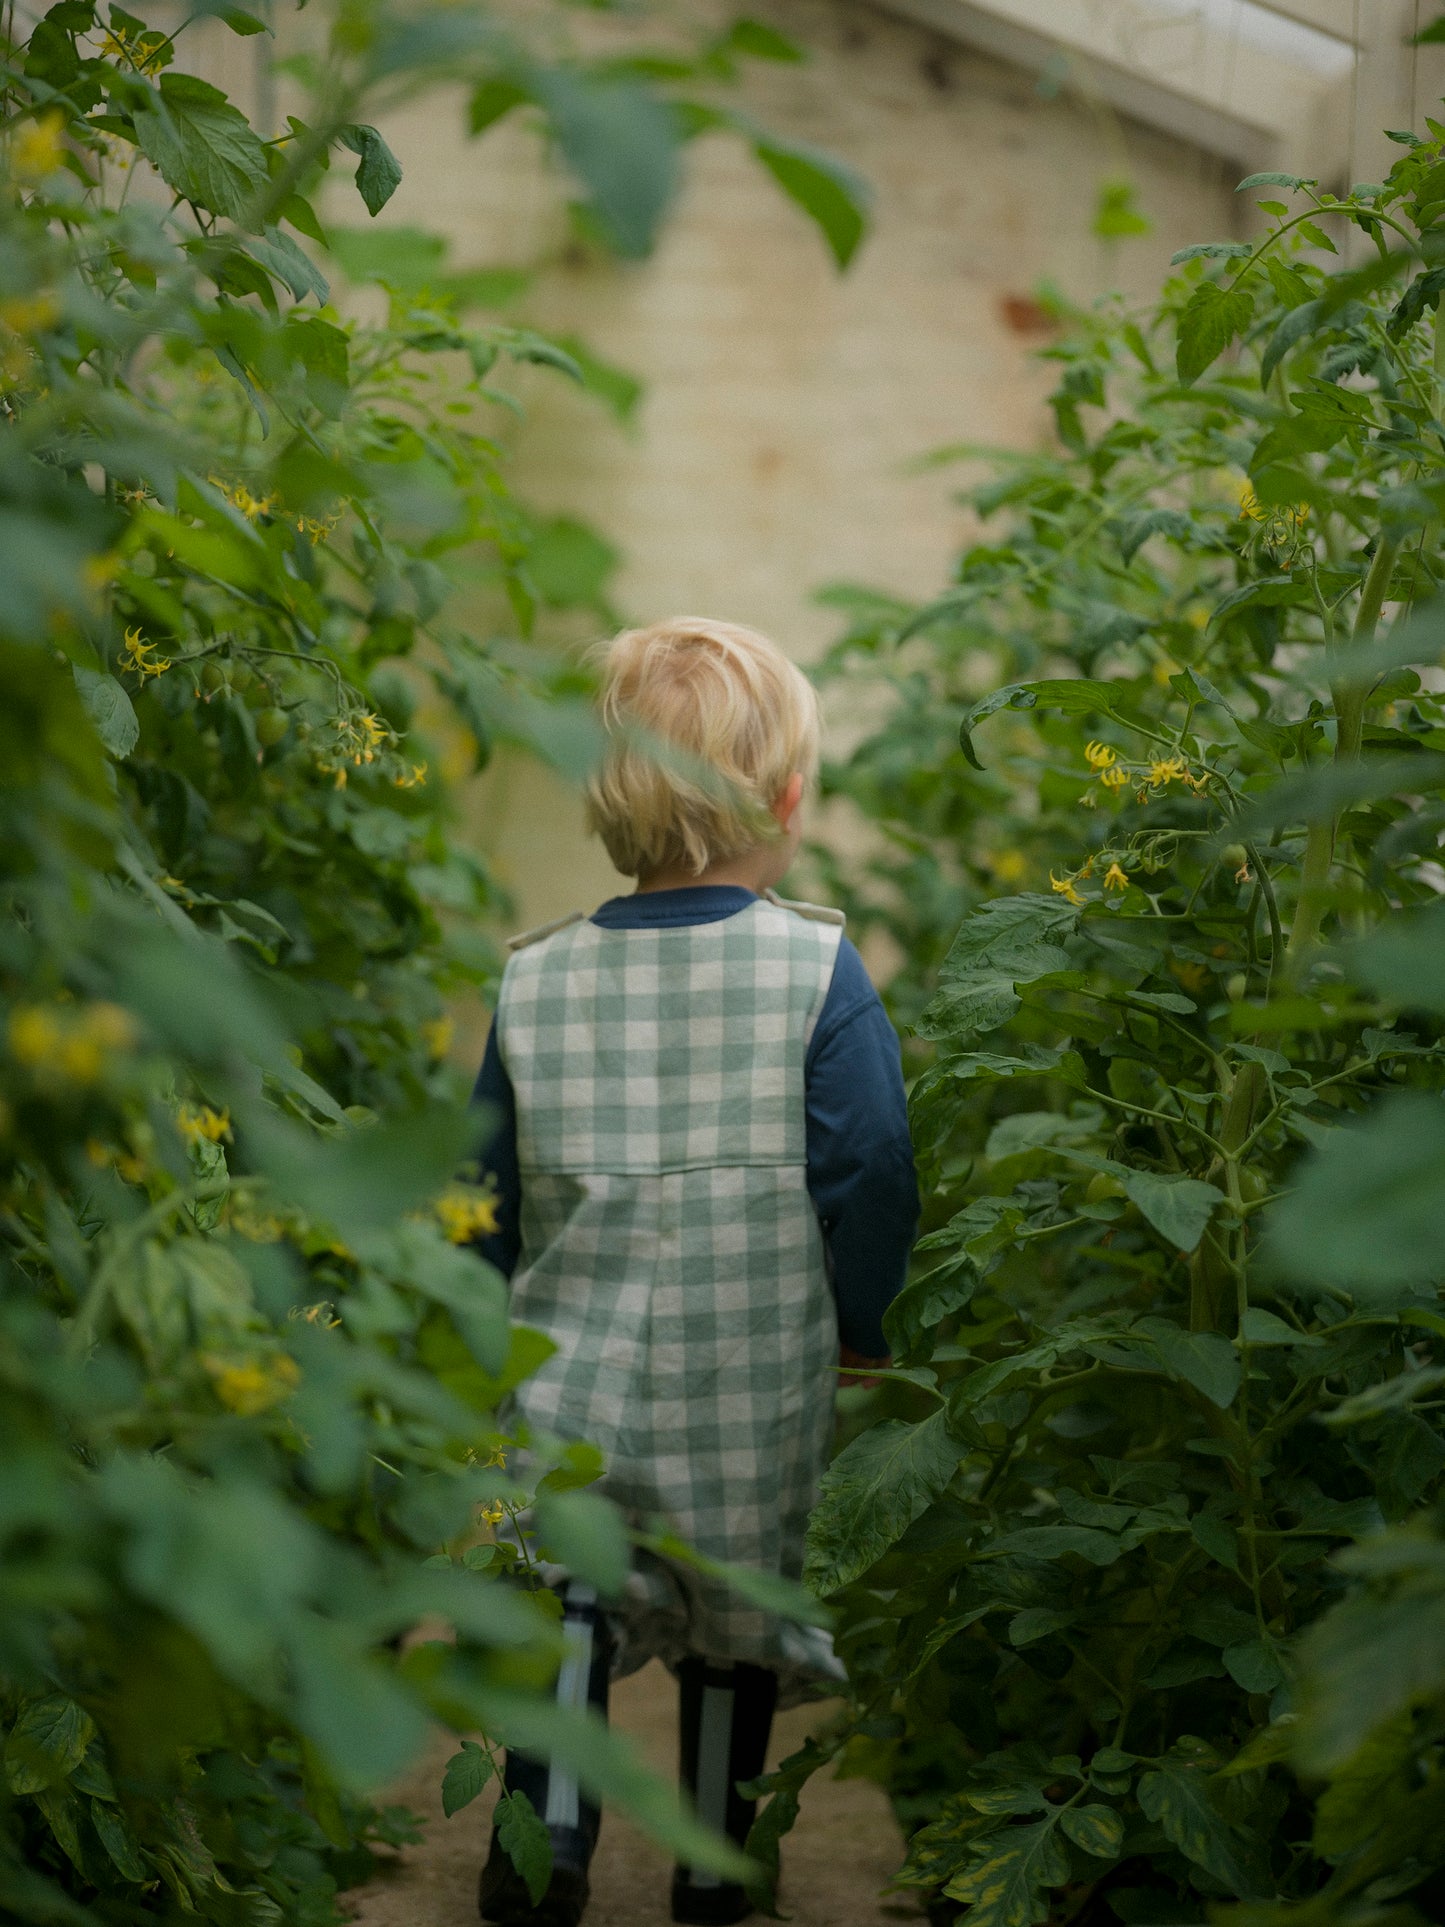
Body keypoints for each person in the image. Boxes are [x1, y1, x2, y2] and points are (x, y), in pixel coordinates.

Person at [470, 617, 918, 1927]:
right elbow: (871, 1163)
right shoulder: (815, 972)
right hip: (747, 1379)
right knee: (740, 1616)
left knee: (565, 1596)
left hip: (567, 1383)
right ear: (787, 798)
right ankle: (717, 1860)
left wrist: (477, 1324)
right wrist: (862, 1319)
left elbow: (481, 1191)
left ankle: (545, 1838)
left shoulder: (532, 983)